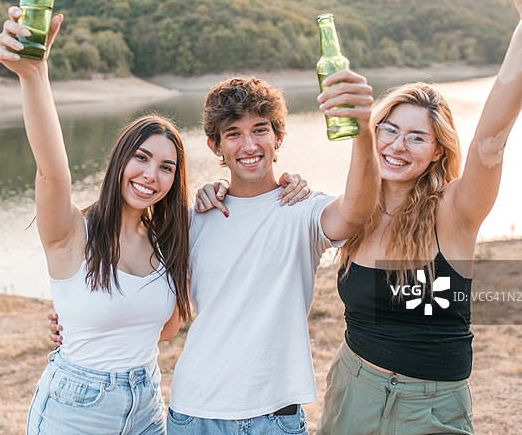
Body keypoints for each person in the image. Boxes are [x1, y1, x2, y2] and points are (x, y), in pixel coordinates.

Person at [0, 7, 311, 435]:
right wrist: (34, 75)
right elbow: (52, 171)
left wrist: (270, 188)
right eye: (141, 158)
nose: (150, 175)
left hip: (146, 404)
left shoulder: (169, 240)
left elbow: (164, 331)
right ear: (119, 160)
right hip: (77, 405)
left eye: (166, 167)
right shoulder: (71, 233)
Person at [316, 0, 522, 435]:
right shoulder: (354, 211)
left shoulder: (455, 212)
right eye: (389, 129)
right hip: (352, 392)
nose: (397, 146)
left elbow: (491, 138)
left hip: (430, 406)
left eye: (417, 137)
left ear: (438, 151)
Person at [55, 74, 380, 432]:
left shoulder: (302, 209)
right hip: (192, 414)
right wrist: (76, 323)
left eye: (260, 130)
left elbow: (354, 213)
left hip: (274, 416)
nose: (249, 145)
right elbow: (157, 318)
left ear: (278, 137)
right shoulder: (192, 220)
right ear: (215, 146)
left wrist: (362, 131)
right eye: (233, 134)